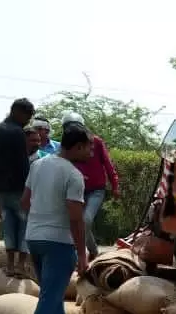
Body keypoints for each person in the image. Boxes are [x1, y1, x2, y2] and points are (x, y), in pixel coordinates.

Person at [21, 122, 93, 314]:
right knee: (49, 299)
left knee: (53, 297)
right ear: (78, 146)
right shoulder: (73, 175)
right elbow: (75, 219)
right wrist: (82, 255)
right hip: (59, 243)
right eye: (89, 147)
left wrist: (40, 219)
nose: (91, 153)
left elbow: (25, 202)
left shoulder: (37, 164)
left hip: (34, 239)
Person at [60, 112, 119, 262]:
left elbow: (107, 163)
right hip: (78, 189)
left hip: (96, 190)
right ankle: (93, 251)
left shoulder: (95, 142)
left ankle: (74, 253)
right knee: (80, 221)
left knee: (85, 220)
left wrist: (115, 185)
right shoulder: (67, 146)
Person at [0, 98, 35, 277]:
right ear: (18, 112)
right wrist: (29, 189)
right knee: (24, 225)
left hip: (1, 190)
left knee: (8, 226)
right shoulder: (17, 133)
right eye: (28, 115)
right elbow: (22, 164)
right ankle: (21, 267)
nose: (28, 120)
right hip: (19, 188)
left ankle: (10, 265)